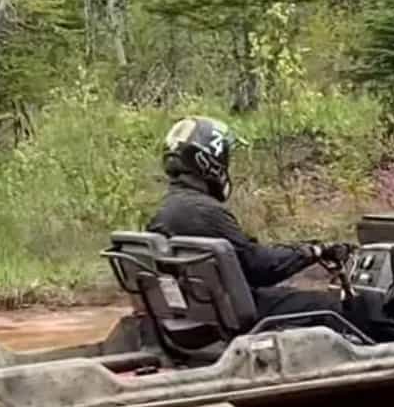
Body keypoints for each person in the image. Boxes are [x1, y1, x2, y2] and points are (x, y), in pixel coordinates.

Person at [146, 116, 362, 327]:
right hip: (236, 313)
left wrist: (299, 250)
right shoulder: (205, 212)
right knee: (333, 307)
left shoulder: (166, 209)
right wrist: (313, 252)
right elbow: (261, 268)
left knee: (290, 295)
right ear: (210, 160)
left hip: (207, 309)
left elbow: (246, 256)